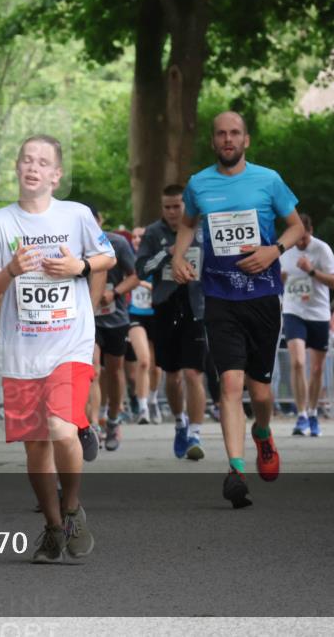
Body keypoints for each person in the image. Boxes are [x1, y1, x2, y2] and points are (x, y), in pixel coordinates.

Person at [0, 134, 116, 563]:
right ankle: (53, 527)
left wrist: (80, 266)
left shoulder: (75, 216)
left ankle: (72, 507)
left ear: (56, 176)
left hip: (69, 343)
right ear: (17, 168)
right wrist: (10, 270)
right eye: (26, 160)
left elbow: (106, 257)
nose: (33, 167)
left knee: (61, 429)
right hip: (23, 350)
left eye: (43, 163)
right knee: (36, 446)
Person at [171, 112, 304, 508]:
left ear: (246, 140)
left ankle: (262, 432)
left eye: (234, 133)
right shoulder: (198, 184)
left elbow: (296, 227)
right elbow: (187, 224)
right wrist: (179, 256)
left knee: (260, 391)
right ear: (213, 142)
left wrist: (273, 251)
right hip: (220, 297)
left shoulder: (269, 180)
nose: (227, 139)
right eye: (221, 134)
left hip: (262, 297)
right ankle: (235, 470)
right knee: (230, 384)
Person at [137, 184, 210, 460]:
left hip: (196, 306)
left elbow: (215, 264)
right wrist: (165, 254)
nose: (171, 212)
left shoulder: (202, 231)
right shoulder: (154, 233)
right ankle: (180, 423)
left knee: (193, 373)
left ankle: (195, 433)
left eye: (177, 206)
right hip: (166, 307)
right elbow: (140, 268)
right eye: (167, 207)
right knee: (172, 374)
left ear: (186, 205)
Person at [279, 213, 334, 437]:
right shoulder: (284, 249)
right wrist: (280, 280)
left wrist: (311, 271)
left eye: (304, 238)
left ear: (311, 231)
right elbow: (275, 281)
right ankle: (302, 415)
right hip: (293, 311)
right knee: (297, 362)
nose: (300, 243)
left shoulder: (321, 249)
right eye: (297, 239)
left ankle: (314, 412)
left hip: (318, 314)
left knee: (316, 369)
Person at [88, 205, 138, 451]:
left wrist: (114, 292)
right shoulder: (73, 246)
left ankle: (114, 419)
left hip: (115, 317)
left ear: (100, 219)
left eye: (92, 221)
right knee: (93, 370)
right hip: (89, 319)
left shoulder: (117, 243)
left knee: (115, 371)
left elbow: (135, 275)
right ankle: (94, 424)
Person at [124, 227, 160, 425]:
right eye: (134, 236)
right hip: (135, 314)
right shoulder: (127, 258)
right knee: (144, 361)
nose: (137, 239)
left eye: (141, 236)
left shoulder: (158, 257)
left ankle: (153, 399)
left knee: (157, 366)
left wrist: (142, 283)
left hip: (157, 314)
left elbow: (166, 286)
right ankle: (143, 408)